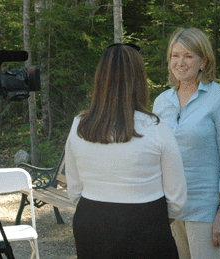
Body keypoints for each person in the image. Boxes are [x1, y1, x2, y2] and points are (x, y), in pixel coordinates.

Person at [65, 43, 187, 259]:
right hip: (146, 225)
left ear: (101, 78)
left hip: (91, 223)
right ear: (139, 80)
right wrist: (153, 220)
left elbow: (74, 189)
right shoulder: (156, 128)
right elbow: (176, 199)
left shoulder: (80, 125)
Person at [152, 27, 220, 259]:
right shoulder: (162, 101)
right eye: (175, 55)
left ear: (204, 61)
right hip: (169, 210)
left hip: (205, 211)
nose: (180, 62)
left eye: (188, 56)